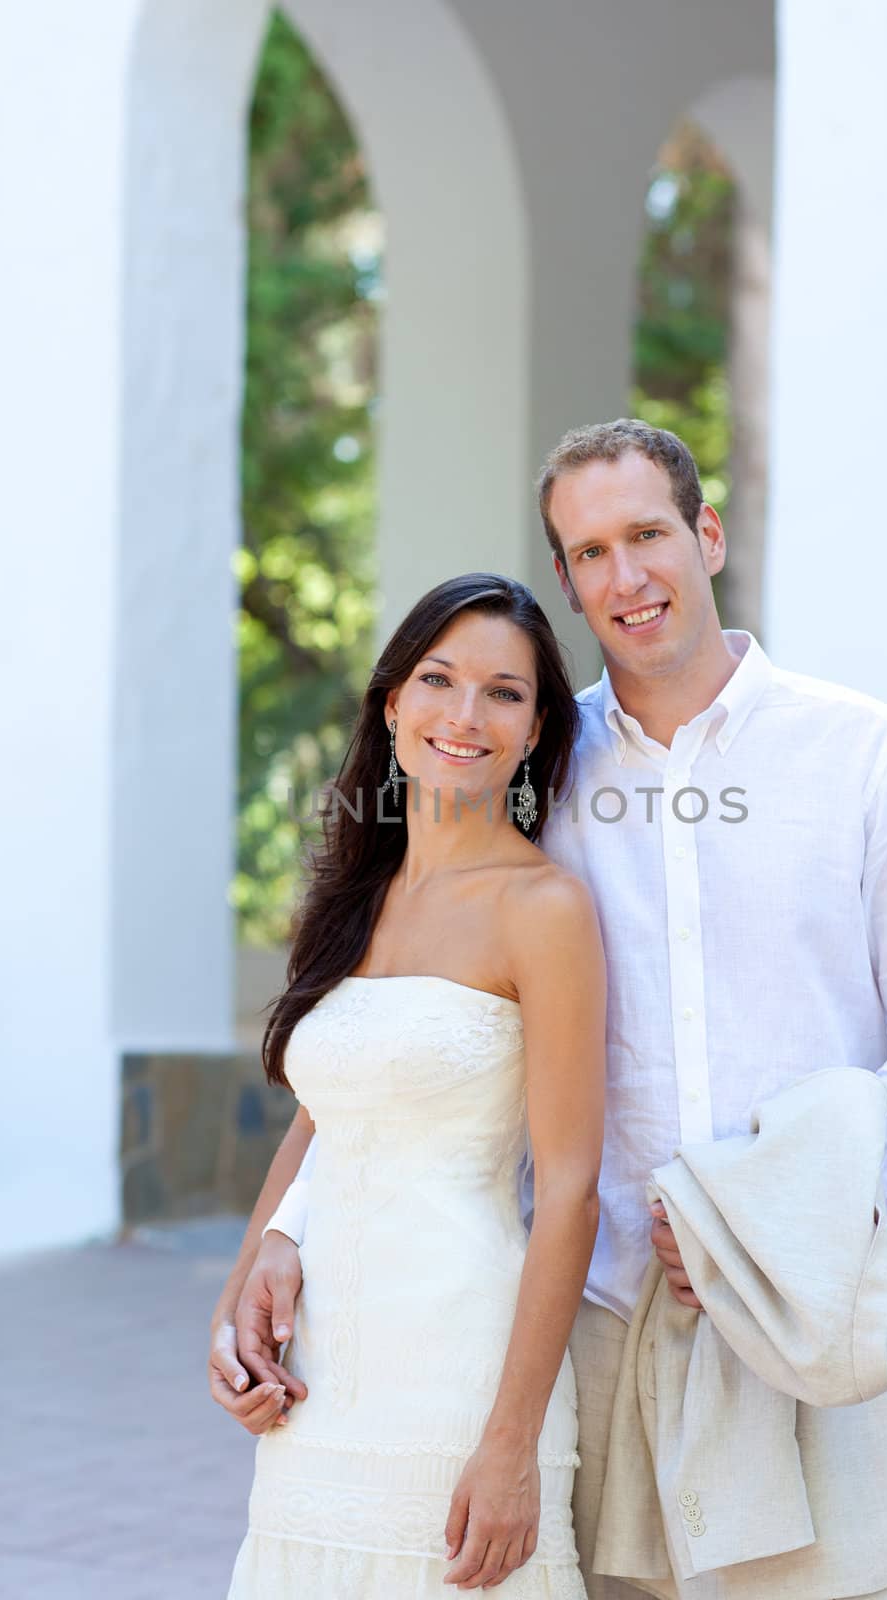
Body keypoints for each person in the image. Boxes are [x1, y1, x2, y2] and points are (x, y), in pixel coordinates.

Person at [213, 421, 887, 1597]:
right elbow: (418, 1039)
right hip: (596, 1317)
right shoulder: (538, 771)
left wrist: (778, 1211)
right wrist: (284, 1228)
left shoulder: (863, 754)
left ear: (707, 534)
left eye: (646, 535)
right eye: (587, 553)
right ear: (568, 580)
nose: (623, 577)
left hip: (807, 1308)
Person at [219, 572, 607, 1598]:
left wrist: (510, 1442)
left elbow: (568, 1188)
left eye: (503, 692)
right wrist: (238, 1301)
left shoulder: (545, 908)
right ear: (392, 704)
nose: (463, 715)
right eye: (437, 679)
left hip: (461, 1372)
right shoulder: (352, 896)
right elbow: (323, 1118)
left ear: (534, 731)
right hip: (323, 1378)